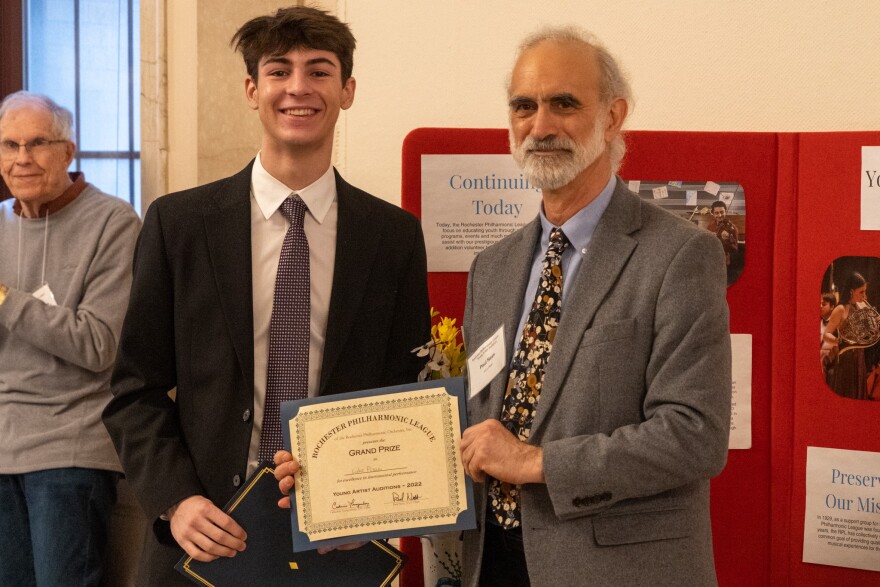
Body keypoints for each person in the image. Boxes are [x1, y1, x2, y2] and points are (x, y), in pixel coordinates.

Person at [102, 6, 429, 585]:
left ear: (347, 90)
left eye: (319, 71)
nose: (298, 88)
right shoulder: (179, 224)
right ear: (252, 90)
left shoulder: (393, 236)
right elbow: (135, 390)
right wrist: (176, 500)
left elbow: (406, 392)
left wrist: (376, 507)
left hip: (337, 544)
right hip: (203, 536)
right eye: (279, 71)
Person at [457, 27, 731, 585]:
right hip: (494, 564)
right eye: (524, 106)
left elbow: (694, 433)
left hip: (616, 570)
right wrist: (344, 485)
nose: (540, 126)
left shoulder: (680, 255)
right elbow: (476, 428)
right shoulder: (492, 268)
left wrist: (535, 462)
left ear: (612, 117)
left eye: (564, 103)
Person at [0, 91, 141, 586]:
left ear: (68, 151)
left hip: (70, 448)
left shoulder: (114, 222)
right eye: (10, 145)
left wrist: (5, 299)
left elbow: (99, 344)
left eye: (37, 143)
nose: (22, 158)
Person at [825, 272, 871, 400]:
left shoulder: (861, 307)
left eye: (865, 291)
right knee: (847, 393)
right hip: (846, 358)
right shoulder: (840, 309)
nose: (865, 296)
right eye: (861, 292)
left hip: (859, 358)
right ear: (851, 291)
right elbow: (826, 334)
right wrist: (839, 341)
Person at [707, 200, 738, 267]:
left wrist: (727, 240)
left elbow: (735, 249)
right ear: (713, 213)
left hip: (724, 260)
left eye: (722, 212)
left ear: (725, 211)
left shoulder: (732, 227)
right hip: (711, 258)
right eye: (716, 213)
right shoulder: (710, 226)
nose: (719, 215)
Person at [820, 292, 838, 382]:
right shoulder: (818, 322)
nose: (820, 306)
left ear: (832, 307)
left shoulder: (837, 325)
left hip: (831, 362)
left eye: (824, 304)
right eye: (819, 304)